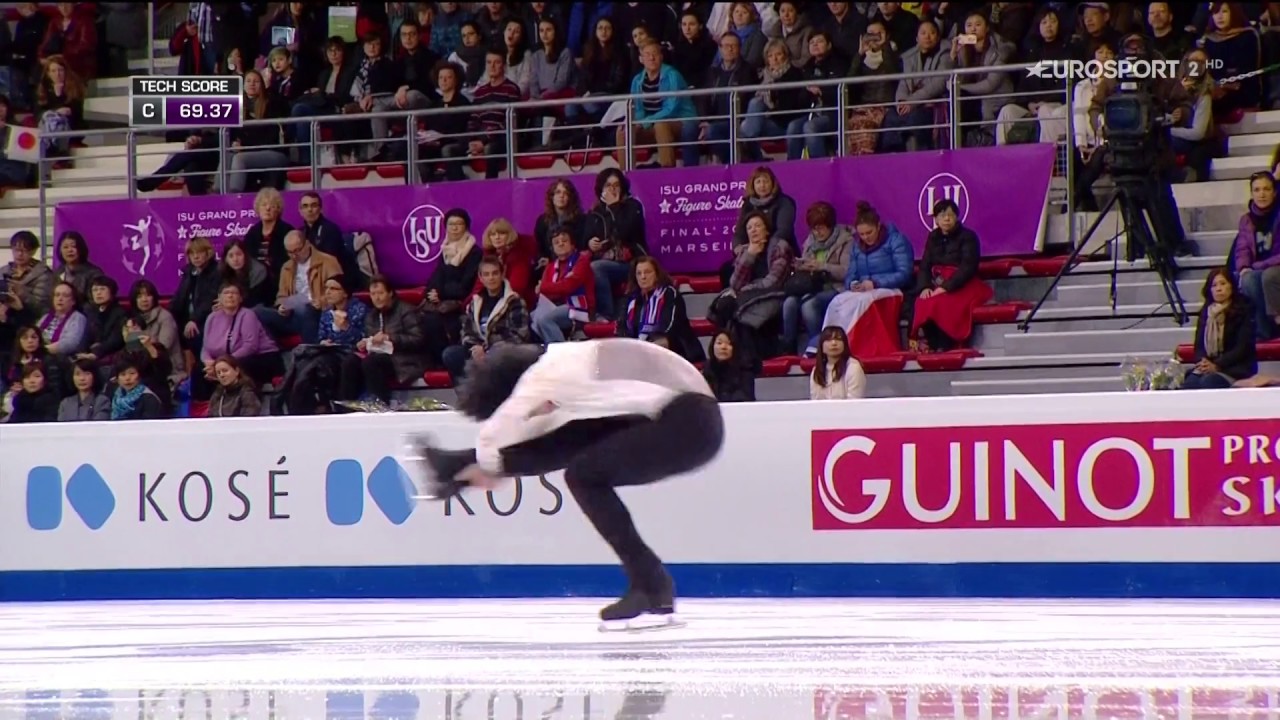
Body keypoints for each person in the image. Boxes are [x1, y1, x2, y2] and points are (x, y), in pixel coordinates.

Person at [403, 338, 725, 631]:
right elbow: (551, 432)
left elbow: (498, 431)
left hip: (688, 423)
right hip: (696, 418)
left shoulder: (544, 374)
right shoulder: (572, 359)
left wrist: (488, 463)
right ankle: (452, 463)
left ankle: (651, 583)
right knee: (580, 439)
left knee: (583, 476)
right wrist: (484, 467)